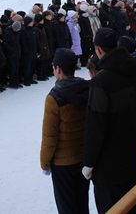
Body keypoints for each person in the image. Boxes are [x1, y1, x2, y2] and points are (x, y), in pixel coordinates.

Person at [82, 28, 136, 214]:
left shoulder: (101, 82)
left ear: (98, 50)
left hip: (108, 166)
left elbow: (96, 127)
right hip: (132, 156)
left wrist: (89, 162)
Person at [40, 48, 90, 214]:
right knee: (82, 201)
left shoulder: (54, 97)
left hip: (63, 163)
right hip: (84, 157)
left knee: (67, 206)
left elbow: (49, 136)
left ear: (58, 69)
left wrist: (44, 163)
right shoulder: (86, 88)